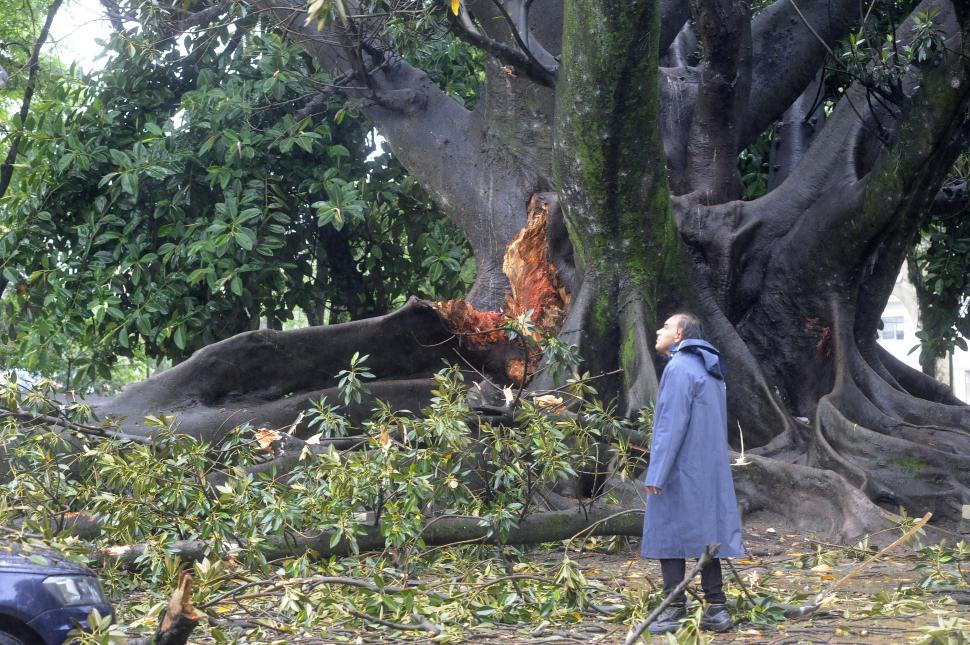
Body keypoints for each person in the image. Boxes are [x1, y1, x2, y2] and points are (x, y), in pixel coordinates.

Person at [641, 312, 744, 634]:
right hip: (708, 468)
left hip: (681, 467)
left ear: (681, 336)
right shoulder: (708, 366)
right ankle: (716, 608)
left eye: (667, 326)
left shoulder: (679, 366)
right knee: (707, 533)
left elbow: (671, 426)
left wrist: (656, 474)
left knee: (669, 532)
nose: (659, 330)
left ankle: (673, 610)